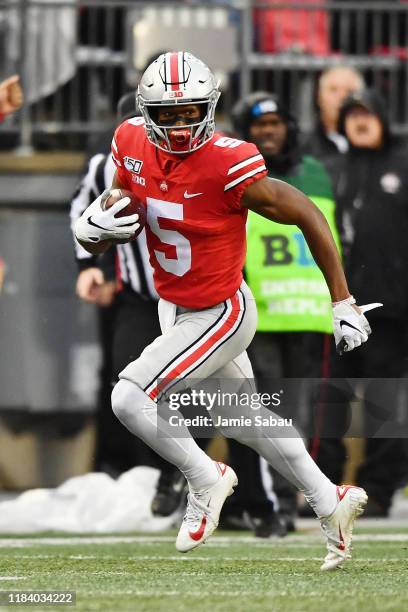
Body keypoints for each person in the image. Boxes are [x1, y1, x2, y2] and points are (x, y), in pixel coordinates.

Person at [74, 52, 379, 571]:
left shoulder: (228, 161)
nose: (178, 125)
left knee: (128, 397)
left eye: (189, 111)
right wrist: (92, 229)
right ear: (146, 113)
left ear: (210, 108)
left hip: (221, 311)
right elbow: (119, 207)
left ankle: (205, 477)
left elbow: (305, 212)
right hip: (175, 304)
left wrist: (341, 300)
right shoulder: (128, 141)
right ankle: (332, 500)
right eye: (166, 115)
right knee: (242, 417)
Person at [231, 91, 340, 531]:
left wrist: (340, 299)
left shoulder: (315, 172)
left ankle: (294, 497)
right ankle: (272, 503)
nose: (268, 131)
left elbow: (333, 240)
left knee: (299, 412)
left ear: (290, 127)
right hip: (260, 315)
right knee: (263, 411)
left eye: (275, 123)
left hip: (307, 312)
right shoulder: (237, 174)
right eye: (259, 125)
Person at [321, 88, 408, 516]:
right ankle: (327, 490)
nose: (359, 121)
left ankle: (379, 491)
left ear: (382, 118)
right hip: (339, 308)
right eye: (351, 114)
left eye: (366, 113)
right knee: (329, 401)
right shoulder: (332, 169)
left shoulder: (403, 164)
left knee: (384, 406)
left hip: (389, 310)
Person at [301, 65, 364, 180]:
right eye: (333, 90)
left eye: (350, 91)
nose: (342, 97)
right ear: (319, 98)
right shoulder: (302, 148)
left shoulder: (378, 149)